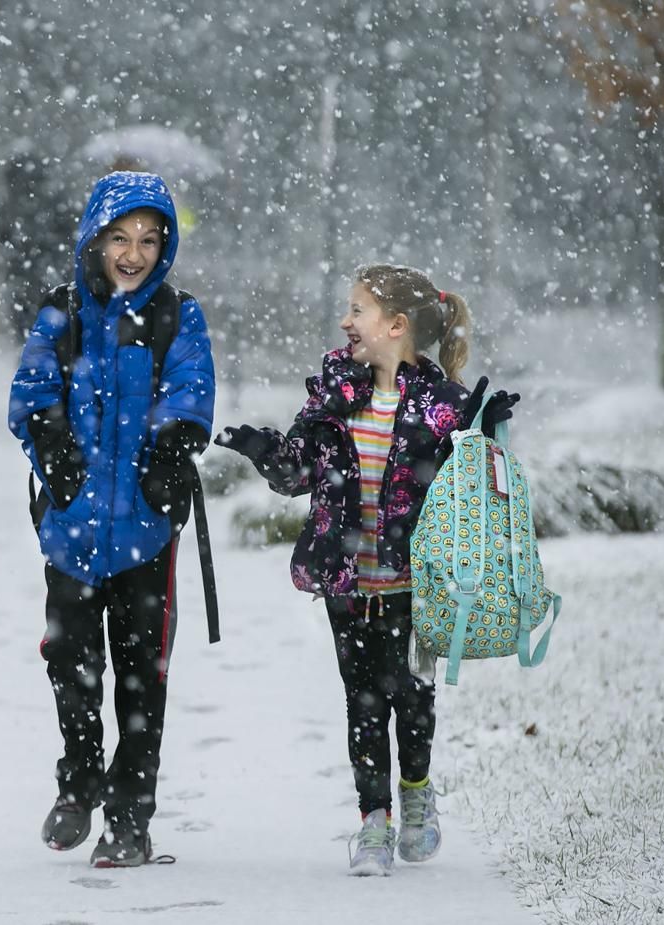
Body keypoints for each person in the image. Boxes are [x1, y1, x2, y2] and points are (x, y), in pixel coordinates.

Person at [214, 264, 518, 876]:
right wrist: (260, 449)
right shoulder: (334, 397)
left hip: (419, 588)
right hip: (349, 583)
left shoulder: (444, 409)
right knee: (362, 701)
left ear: (397, 325)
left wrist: (486, 435)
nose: (345, 322)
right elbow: (300, 475)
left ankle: (415, 791)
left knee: (413, 697)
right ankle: (373, 822)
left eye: (357, 311)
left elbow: (477, 498)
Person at [8, 171, 215, 868]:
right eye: (121, 238)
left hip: (146, 533)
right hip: (70, 527)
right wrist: (55, 447)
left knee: (140, 678)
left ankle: (130, 817)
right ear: (94, 239)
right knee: (70, 664)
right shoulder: (60, 312)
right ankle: (79, 778)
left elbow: (193, 390)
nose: (134, 253)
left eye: (149, 240)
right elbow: (31, 393)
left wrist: (171, 448)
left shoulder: (176, 316)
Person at [0, 152, 75, 343]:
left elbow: (1, 235)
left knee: (30, 328)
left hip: (33, 274)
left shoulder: (16, 203)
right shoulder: (53, 198)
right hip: (42, 274)